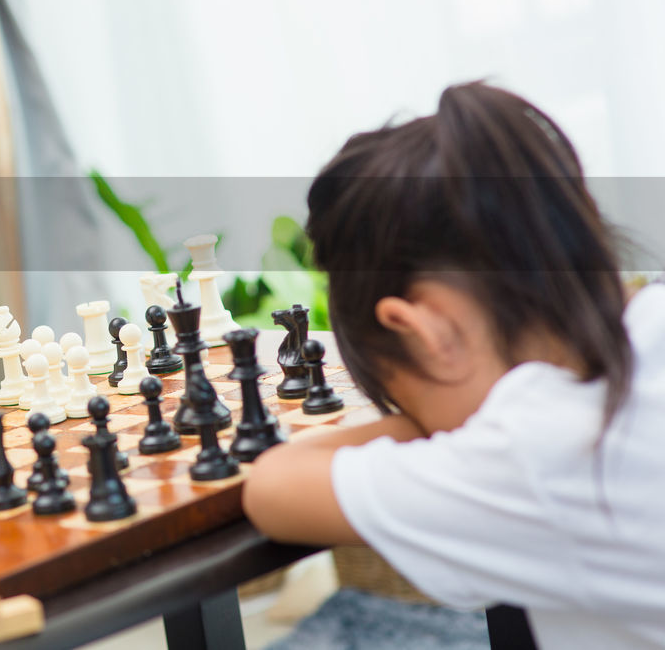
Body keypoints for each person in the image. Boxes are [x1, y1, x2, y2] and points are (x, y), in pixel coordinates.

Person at [242, 82, 665, 649]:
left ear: (422, 330)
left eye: (404, 398)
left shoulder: (538, 446)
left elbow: (271, 488)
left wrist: (438, 430)